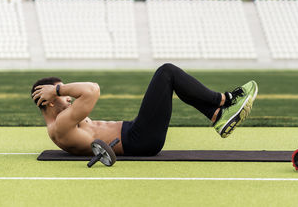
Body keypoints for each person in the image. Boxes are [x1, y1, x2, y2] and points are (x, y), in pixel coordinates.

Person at [31, 63, 258, 156]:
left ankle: (217, 114)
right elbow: (92, 90)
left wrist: (57, 90)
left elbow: (86, 92)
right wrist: (57, 89)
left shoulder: (63, 120)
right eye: (61, 96)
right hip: (139, 140)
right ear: (50, 101)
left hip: (136, 134)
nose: (67, 98)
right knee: (166, 73)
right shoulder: (60, 126)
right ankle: (224, 100)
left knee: (169, 78)